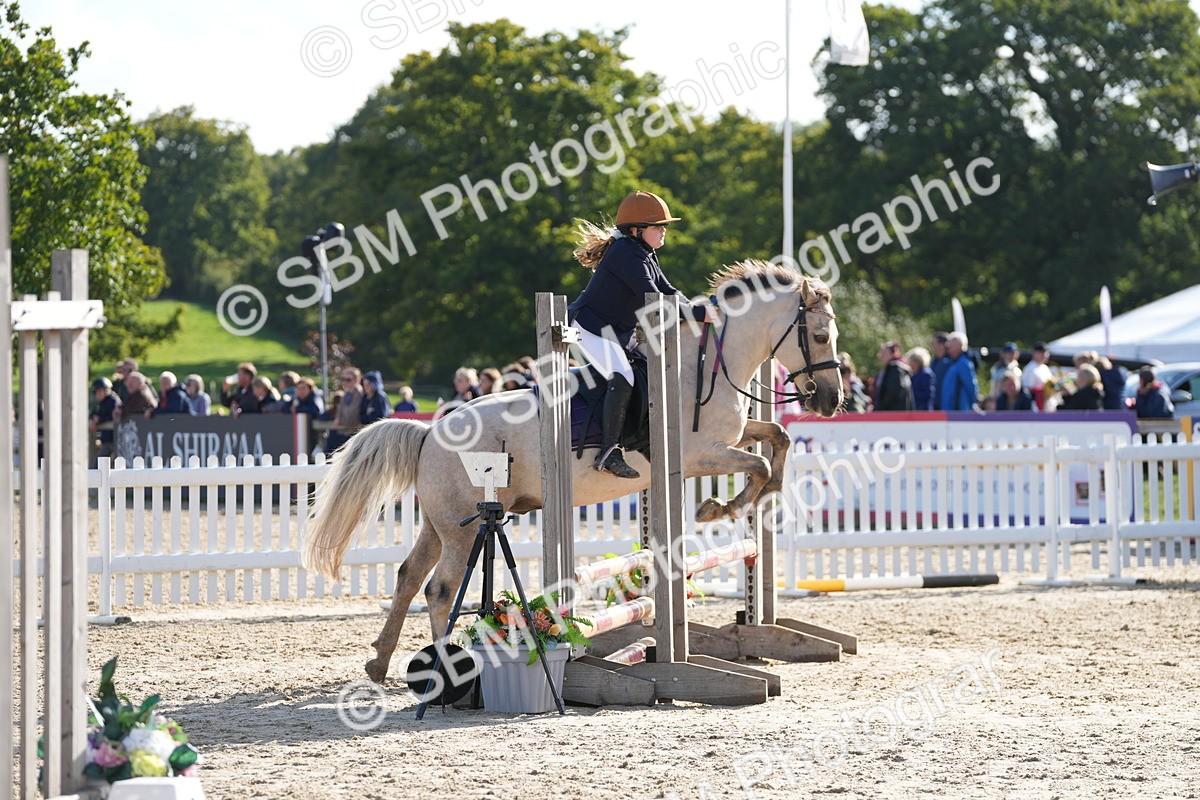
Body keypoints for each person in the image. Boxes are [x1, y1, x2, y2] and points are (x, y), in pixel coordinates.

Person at [567, 190, 717, 479]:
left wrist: (699, 307)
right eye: (658, 226)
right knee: (622, 376)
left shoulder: (644, 253)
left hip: (617, 332)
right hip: (590, 327)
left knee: (648, 372)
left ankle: (641, 437)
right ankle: (609, 451)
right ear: (637, 230)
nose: (664, 231)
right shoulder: (625, 254)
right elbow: (655, 299)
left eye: (664, 227)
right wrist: (699, 315)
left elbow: (670, 292)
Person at [321, 368, 363, 452]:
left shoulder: (359, 393)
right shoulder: (346, 393)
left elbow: (353, 413)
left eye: (348, 379)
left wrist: (342, 421)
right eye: (343, 379)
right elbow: (340, 410)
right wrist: (338, 418)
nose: (345, 382)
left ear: (357, 380)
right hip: (344, 430)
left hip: (352, 431)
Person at [940, 332, 980, 412]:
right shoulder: (952, 363)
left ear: (960, 346)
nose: (948, 348)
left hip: (959, 411)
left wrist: (973, 403)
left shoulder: (963, 363)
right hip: (950, 410)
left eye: (951, 345)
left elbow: (970, 386)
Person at [873, 341, 914, 411]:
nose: (881, 356)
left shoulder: (896, 369)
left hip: (893, 414)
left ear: (893, 353)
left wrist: (880, 407)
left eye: (884, 353)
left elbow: (893, 393)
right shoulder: (894, 369)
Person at [90, 377, 121, 463]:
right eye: (96, 392)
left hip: (114, 440)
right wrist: (93, 419)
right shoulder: (102, 402)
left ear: (106, 390)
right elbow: (94, 413)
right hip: (107, 440)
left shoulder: (112, 401)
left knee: (99, 465)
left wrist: (100, 419)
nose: (98, 394)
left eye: (100, 391)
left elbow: (114, 416)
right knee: (99, 464)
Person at [1021, 343, 1054, 410]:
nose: (1043, 355)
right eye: (1040, 353)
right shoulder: (1029, 368)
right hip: (1035, 405)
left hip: (1047, 403)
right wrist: (1042, 390)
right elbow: (1027, 390)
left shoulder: (1045, 368)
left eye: (1045, 353)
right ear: (1033, 353)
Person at [906, 347, 936, 411]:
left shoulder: (926, 374)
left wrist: (911, 395)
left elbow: (928, 394)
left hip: (923, 410)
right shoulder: (912, 374)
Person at [929, 333, 951, 410]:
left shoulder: (949, 363)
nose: (931, 346)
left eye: (933, 343)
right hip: (934, 404)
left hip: (945, 405)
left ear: (942, 345)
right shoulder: (934, 361)